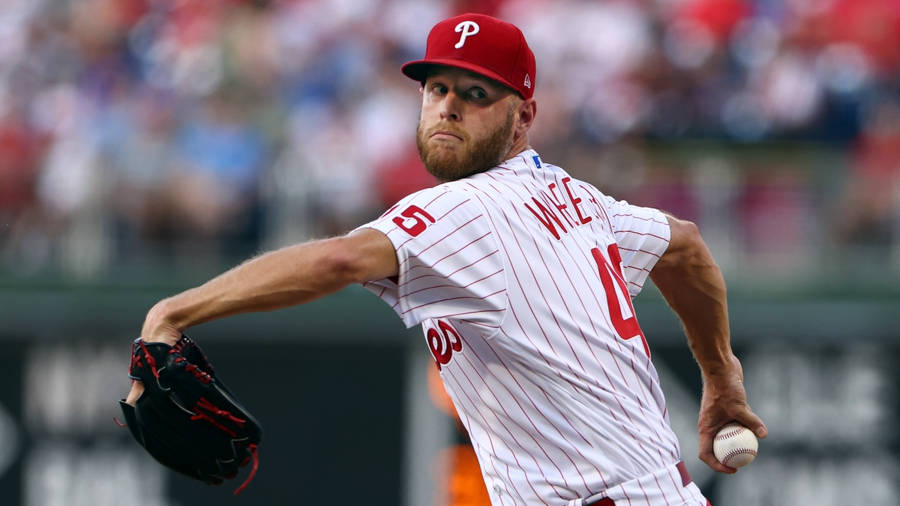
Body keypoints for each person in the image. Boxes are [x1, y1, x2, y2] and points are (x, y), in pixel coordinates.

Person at [126, 13, 767, 506]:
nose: (449, 105)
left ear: (523, 119)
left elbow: (339, 262)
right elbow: (682, 244)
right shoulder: (578, 200)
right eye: (436, 88)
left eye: (477, 93)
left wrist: (173, 310)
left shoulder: (471, 210)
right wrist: (720, 376)